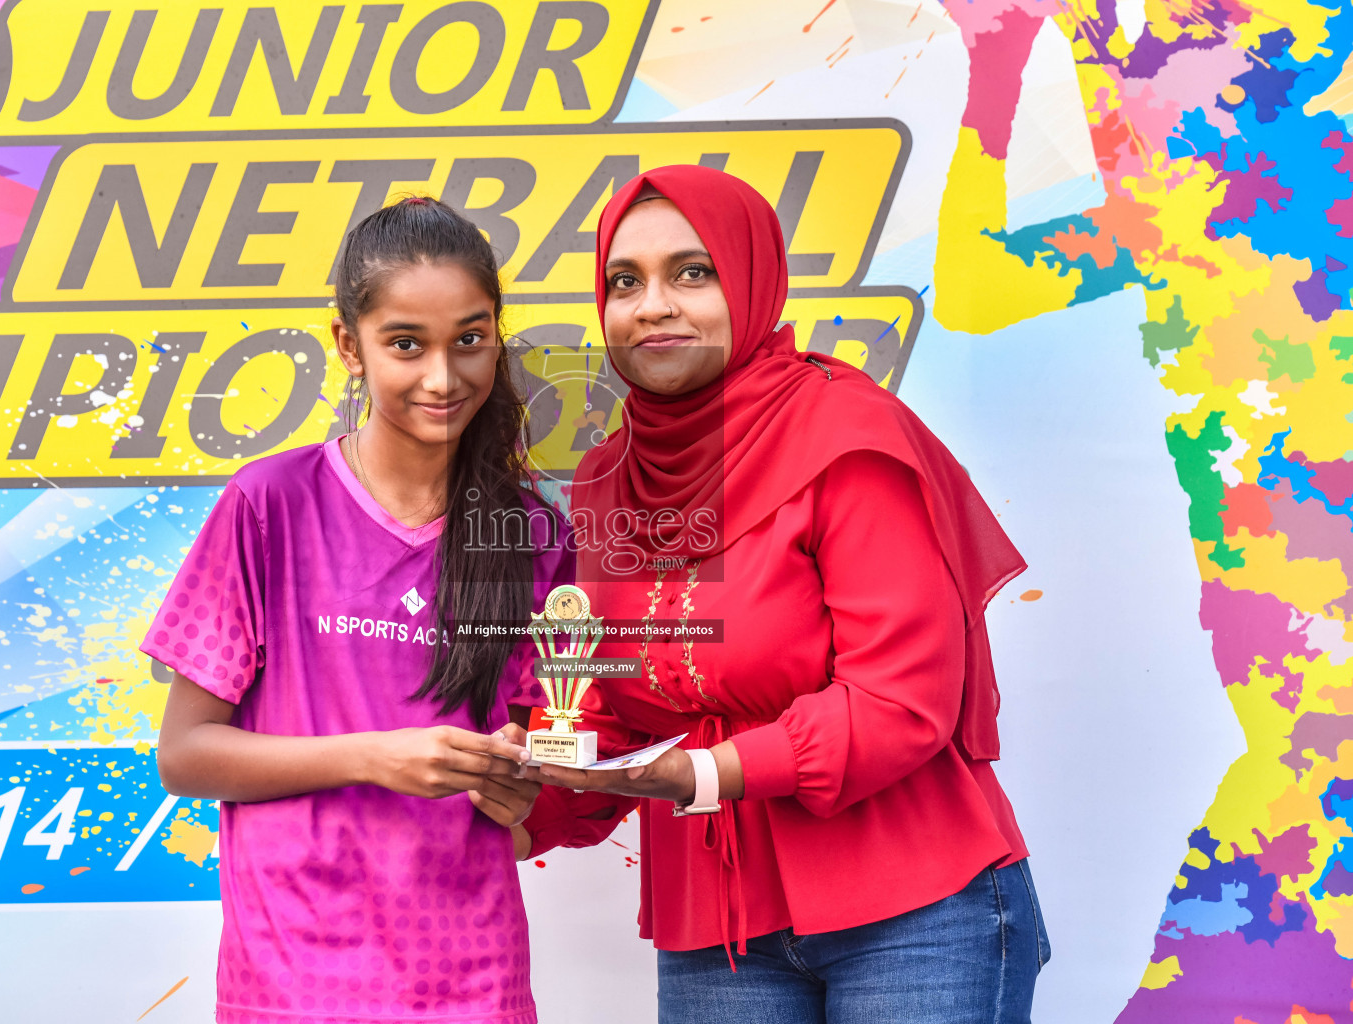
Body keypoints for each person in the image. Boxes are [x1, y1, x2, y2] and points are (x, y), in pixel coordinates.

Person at [516, 166, 1051, 1024]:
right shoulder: (606, 478)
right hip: (718, 932)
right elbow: (610, 713)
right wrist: (517, 806)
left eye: (693, 273)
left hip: (915, 912)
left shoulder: (845, 436)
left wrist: (702, 772)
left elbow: (899, 701)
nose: (653, 305)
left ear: (754, 280)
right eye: (625, 282)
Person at [145, 197, 571, 1024]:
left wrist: (523, 778)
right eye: (406, 344)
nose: (443, 377)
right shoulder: (268, 503)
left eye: (470, 340)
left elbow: (544, 758)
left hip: (474, 977)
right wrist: (374, 756)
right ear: (349, 344)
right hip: (295, 977)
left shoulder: (535, 533)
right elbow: (186, 755)